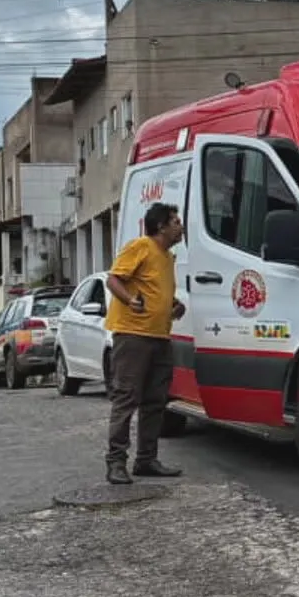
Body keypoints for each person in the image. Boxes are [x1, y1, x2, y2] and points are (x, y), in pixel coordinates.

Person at [102, 201, 187, 484]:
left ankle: (146, 460)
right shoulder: (141, 246)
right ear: (161, 226)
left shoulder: (167, 257)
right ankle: (116, 463)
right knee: (126, 398)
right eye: (175, 222)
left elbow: (154, 289)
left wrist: (173, 306)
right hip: (133, 335)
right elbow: (113, 280)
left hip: (160, 336)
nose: (180, 226)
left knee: (155, 401)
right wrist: (130, 300)